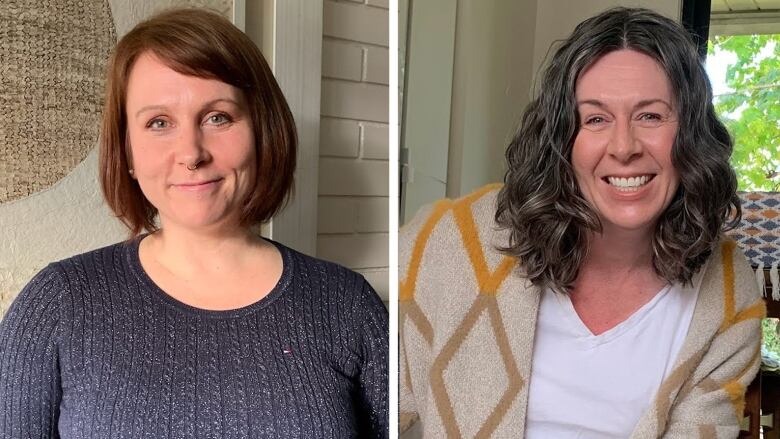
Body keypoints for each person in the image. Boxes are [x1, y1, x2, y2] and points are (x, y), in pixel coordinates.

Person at [0, 8, 388, 438]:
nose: (191, 152)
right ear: (127, 152)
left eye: (217, 117)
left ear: (262, 130)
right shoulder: (58, 305)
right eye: (158, 123)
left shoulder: (348, 306)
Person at [399, 7, 763, 438]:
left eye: (650, 115)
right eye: (595, 118)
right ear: (562, 139)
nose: (624, 146)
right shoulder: (452, 240)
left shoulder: (727, 288)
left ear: (690, 135)